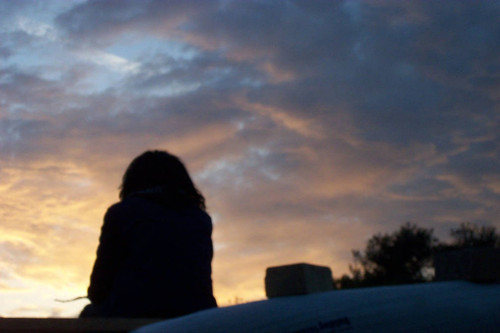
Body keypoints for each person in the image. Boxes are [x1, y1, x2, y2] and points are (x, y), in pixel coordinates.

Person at [80, 150, 217, 318]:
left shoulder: (122, 213)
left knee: (88, 316)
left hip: (134, 312)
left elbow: (98, 289)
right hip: (198, 314)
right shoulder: (201, 219)